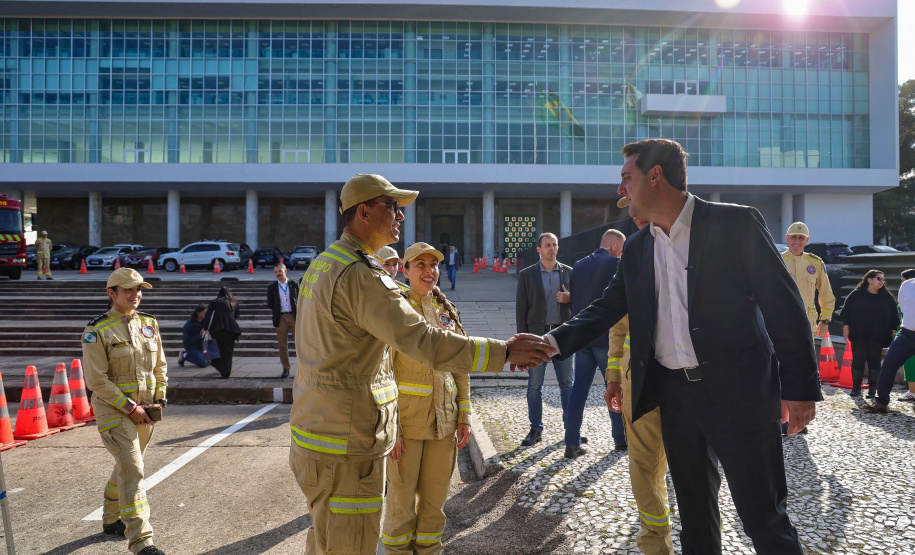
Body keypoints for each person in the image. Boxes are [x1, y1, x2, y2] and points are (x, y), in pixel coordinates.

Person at [528, 139, 820, 555]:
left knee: (763, 518)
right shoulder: (637, 247)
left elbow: (784, 306)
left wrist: (801, 387)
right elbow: (607, 308)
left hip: (741, 396)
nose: (620, 190)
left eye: (626, 178)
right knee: (695, 519)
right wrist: (549, 343)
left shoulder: (735, 224)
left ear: (655, 176)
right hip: (676, 398)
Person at [288, 173, 553, 555]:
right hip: (345, 442)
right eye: (392, 207)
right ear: (364, 212)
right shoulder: (361, 276)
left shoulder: (326, 264)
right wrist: (505, 352)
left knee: (328, 541)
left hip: (322, 432)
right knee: (348, 546)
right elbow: (423, 341)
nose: (400, 216)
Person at [382, 242, 472, 554]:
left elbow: (461, 366)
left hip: (443, 424)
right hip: (405, 427)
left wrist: (464, 417)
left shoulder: (447, 311)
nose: (429, 271)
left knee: (435, 505)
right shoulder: (395, 311)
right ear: (405, 271)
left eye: (433, 265)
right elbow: (382, 373)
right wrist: (390, 428)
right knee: (401, 505)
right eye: (420, 265)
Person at [81, 268, 167, 555]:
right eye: (128, 290)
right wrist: (130, 407)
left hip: (146, 413)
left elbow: (160, 367)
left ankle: (110, 518)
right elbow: (97, 381)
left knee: (126, 466)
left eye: (139, 289)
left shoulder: (149, 323)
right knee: (133, 470)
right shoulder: (97, 330)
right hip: (114, 411)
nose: (136, 294)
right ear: (111, 294)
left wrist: (160, 398)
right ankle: (142, 542)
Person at [603, 215, 674, 555]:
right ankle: (656, 542)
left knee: (695, 469)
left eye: (634, 196)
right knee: (643, 464)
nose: (632, 209)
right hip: (637, 382)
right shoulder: (633, 253)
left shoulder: (692, 247)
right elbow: (618, 327)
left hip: (688, 383)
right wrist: (613, 377)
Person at [563, 229, 627, 459]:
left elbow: (575, 301)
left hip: (583, 338)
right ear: (612, 245)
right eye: (621, 247)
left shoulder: (578, 265)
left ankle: (571, 443)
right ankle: (620, 439)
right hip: (606, 337)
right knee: (614, 387)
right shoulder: (616, 264)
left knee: (578, 391)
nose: (622, 252)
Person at [515, 232, 574, 447]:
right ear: (539, 249)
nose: (552, 248)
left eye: (554, 244)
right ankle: (535, 429)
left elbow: (582, 304)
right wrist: (522, 341)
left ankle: (571, 428)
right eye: (547, 245)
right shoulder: (527, 275)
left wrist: (570, 298)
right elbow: (521, 309)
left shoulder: (569, 273)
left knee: (567, 384)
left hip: (562, 336)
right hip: (537, 338)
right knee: (534, 386)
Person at [840, 269, 899, 397]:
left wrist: (893, 330)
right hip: (858, 333)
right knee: (858, 360)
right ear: (869, 280)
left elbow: (894, 314)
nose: (882, 282)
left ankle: (873, 389)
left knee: (874, 361)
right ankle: (856, 387)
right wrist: (846, 327)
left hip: (877, 334)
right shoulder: (856, 294)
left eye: (883, 279)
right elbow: (846, 311)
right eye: (879, 278)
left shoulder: (886, 296)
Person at [864, 267, 915, 413]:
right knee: (888, 364)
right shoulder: (907, 285)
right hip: (906, 333)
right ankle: (881, 403)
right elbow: (903, 307)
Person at [782, 222, 835, 336]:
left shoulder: (815, 263)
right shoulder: (778, 261)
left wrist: (825, 320)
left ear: (807, 240)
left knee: (807, 354)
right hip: (782, 324)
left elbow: (826, 294)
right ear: (787, 238)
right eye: (793, 237)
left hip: (808, 324)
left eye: (801, 238)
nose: (797, 241)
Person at [267, 262, 299, 379]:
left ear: (285, 271)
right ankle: (286, 368)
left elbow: (299, 299)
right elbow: (270, 303)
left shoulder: (294, 284)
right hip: (281, 318)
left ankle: (303, 368)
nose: (278, 274)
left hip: (294, 316)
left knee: (300, 344)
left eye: (279, 271)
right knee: (282, 346)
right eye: (275, 272)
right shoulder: (272, 287)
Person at [202, 287, 241, 379]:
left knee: (217, 350)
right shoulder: (234, 303)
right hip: (231, 329)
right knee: (228, 352)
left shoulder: (214, 303)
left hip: (217, 329)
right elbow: (236, 316)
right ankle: (226, 372)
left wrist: (206, 328)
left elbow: (209, 316)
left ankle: (220, 366)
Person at [899, 269, 915, 402]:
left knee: (910, 362)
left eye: (902, 280)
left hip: (909, 332)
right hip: (907, 331)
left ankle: (912, 391)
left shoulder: (909, 290)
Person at [177, 304, 209, 369]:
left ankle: (202, 356)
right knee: (203, 363)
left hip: (203, 346)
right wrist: (200, 335)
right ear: (200, 314)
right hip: (193, 347)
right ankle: (185, 355)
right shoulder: (189, 325)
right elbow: (187, 341)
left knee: (216, 361)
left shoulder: (205, 322)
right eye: (206, 313)